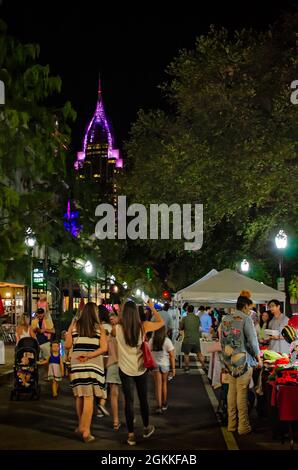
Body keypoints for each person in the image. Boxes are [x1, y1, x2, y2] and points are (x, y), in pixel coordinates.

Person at [112, 299, 164, 446]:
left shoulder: (117, 329)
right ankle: (146, 427)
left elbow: (109, 333)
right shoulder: (143, 326)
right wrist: (152, 308)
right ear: (135, 313)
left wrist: (117, 317)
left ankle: (130, 435)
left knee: (129, 402)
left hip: (124, 369)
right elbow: (161, 323)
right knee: (143, 400)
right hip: (140, 369)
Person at [65, 302, 108, 443]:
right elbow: (104, 348)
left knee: (79, 396)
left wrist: (72, 324)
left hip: (77, 364)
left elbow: (67, 345)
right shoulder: (99, 328)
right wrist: (89, 355)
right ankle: (86, 431)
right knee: (89, 397)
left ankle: (80, 426)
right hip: (92, 364)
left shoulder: (76, 325)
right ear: (95, 313)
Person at [219, 296, 261, 435]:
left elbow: (222, 340)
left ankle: (232, 424)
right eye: (249, 308)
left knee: (232, 392)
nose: (250, 311)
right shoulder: (246, 319)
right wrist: (258, 357)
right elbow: (253, 341)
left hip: (229, 361)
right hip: (243, 361)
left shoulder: (225, 319)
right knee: (241, 394)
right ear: (244, 306)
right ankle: (243, 426)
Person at [149, 325, 175, 414]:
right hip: (165, 365)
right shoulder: (167, 341)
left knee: (157, 386)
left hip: (155, 365)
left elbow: (148, 352)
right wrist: (173, 369)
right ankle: (164, 403)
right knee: (164, 384)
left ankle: (159, 406)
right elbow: (172, 356)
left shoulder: (152, 341)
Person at [106, 313, 122, 430]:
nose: (111, 319)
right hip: (119, 364)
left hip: (115, 364)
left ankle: (116, 420)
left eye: (113, 317)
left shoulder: (115, 330)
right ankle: (117, 420)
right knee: (118, 393)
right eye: (110, 318)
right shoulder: (122, 330)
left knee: (114, 393)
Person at [179, 305, 205, 372]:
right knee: (199, 353)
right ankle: (203, 365)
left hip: (187, 339)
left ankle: (187, 367)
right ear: (193, 310)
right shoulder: (197, 318)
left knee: (186, 354)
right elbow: (199, 326)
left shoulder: (185, 318)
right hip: (196, 339)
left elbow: (181, 327)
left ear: (187, 310)